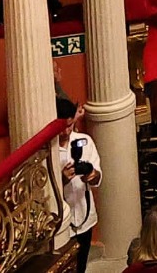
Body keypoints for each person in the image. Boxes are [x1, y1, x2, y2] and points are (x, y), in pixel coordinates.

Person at [54, 101, 102, 261]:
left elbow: (97, 178)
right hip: (60, 224)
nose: (66, 131)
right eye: (62, 127)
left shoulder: (84, 141)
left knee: (81, 265)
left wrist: (92, 175)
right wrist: (62, 180)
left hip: (84, 216)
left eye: (70, 125)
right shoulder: (48, 150)